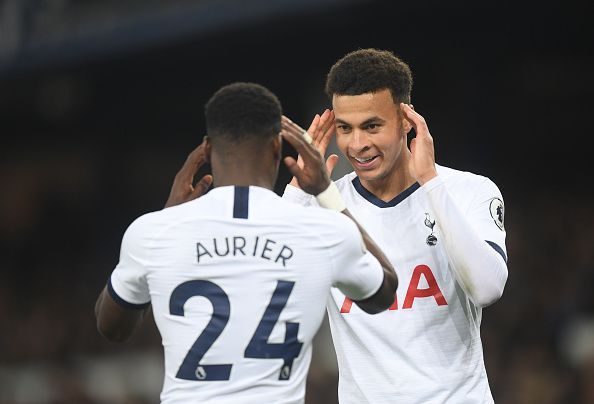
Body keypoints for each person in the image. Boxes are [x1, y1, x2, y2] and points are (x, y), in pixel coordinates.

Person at [94, 82, 398, 404]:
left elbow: (111, 328)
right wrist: (326, 191)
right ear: (277, 149)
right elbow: (383, 292)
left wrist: (168, 215)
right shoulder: (325, 231)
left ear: (208, 150)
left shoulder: (153, 231)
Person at [281, 49, 509, 403]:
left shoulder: (468, 191)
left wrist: (430, 182)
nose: (357, 145)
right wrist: (298, 195)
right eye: (345, 128)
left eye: (372, 126)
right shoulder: (323, 207)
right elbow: (266, 284)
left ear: (406, 119)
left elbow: (486, 288)